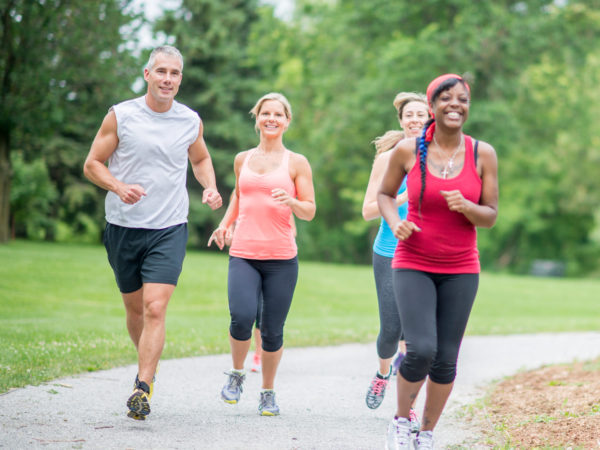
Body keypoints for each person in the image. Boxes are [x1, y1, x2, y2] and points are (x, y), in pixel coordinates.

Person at [83, 45, 223, 420]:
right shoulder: (122, 116)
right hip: (123, 228)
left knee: (155, 307)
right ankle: (149, 363)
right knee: (135, 310)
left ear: (180, 78)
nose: (167, 79)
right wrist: (117, 186)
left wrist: (208, 185)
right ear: (147, 75)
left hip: (169, 227)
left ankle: (143, 385)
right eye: (161, 71)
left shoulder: (189, 120)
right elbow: (92, 164)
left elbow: (201, 158)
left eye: (174, 73)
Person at [377, 74, 498, 449]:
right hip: (413, 261)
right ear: (433, 106)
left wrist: (469, 208)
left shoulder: (483, 153)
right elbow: (384, 194)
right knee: (422, 349)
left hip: (461, 268)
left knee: (446, 358)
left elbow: (491, 214)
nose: (455, 105)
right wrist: (396, 223)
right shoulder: (409, 150)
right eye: (446, 98)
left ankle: (426, 432)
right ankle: (401, 422)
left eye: (462, 99)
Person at [208, 92, 315, 416]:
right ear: (257, 118)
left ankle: (268, 391)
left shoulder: (296, 162)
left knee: (272, 330)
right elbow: (239, 195)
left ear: (287, 121)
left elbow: (309, 210)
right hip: (244, 252)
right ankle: (237, 374)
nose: (271, 118)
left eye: (278, 114)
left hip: (282, 259)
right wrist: (224, 224)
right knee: (241, 317)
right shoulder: (243, 159)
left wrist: (293, 202)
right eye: (265, 113)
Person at [361, 93, 429, 432]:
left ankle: (408, 407)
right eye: (409, 114)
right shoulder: (387, 159)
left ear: (431, 117)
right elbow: (368, 211)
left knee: (416, 339)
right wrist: (401, 196)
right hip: (389, 252)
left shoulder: (442, 157)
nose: (415, 119)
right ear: (401, 120)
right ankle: (383, 372)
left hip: (426, 256)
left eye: (421, 114)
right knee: (391, 332)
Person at [222, 192, 298, 374]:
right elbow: (229, 227)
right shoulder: (240, 192)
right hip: (246, 256)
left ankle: (259, 353)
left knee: (265, 314)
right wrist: (229, 234)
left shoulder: (279, 193)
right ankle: (238, 368)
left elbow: (292, 229)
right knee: (244, 314)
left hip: (275, 258)